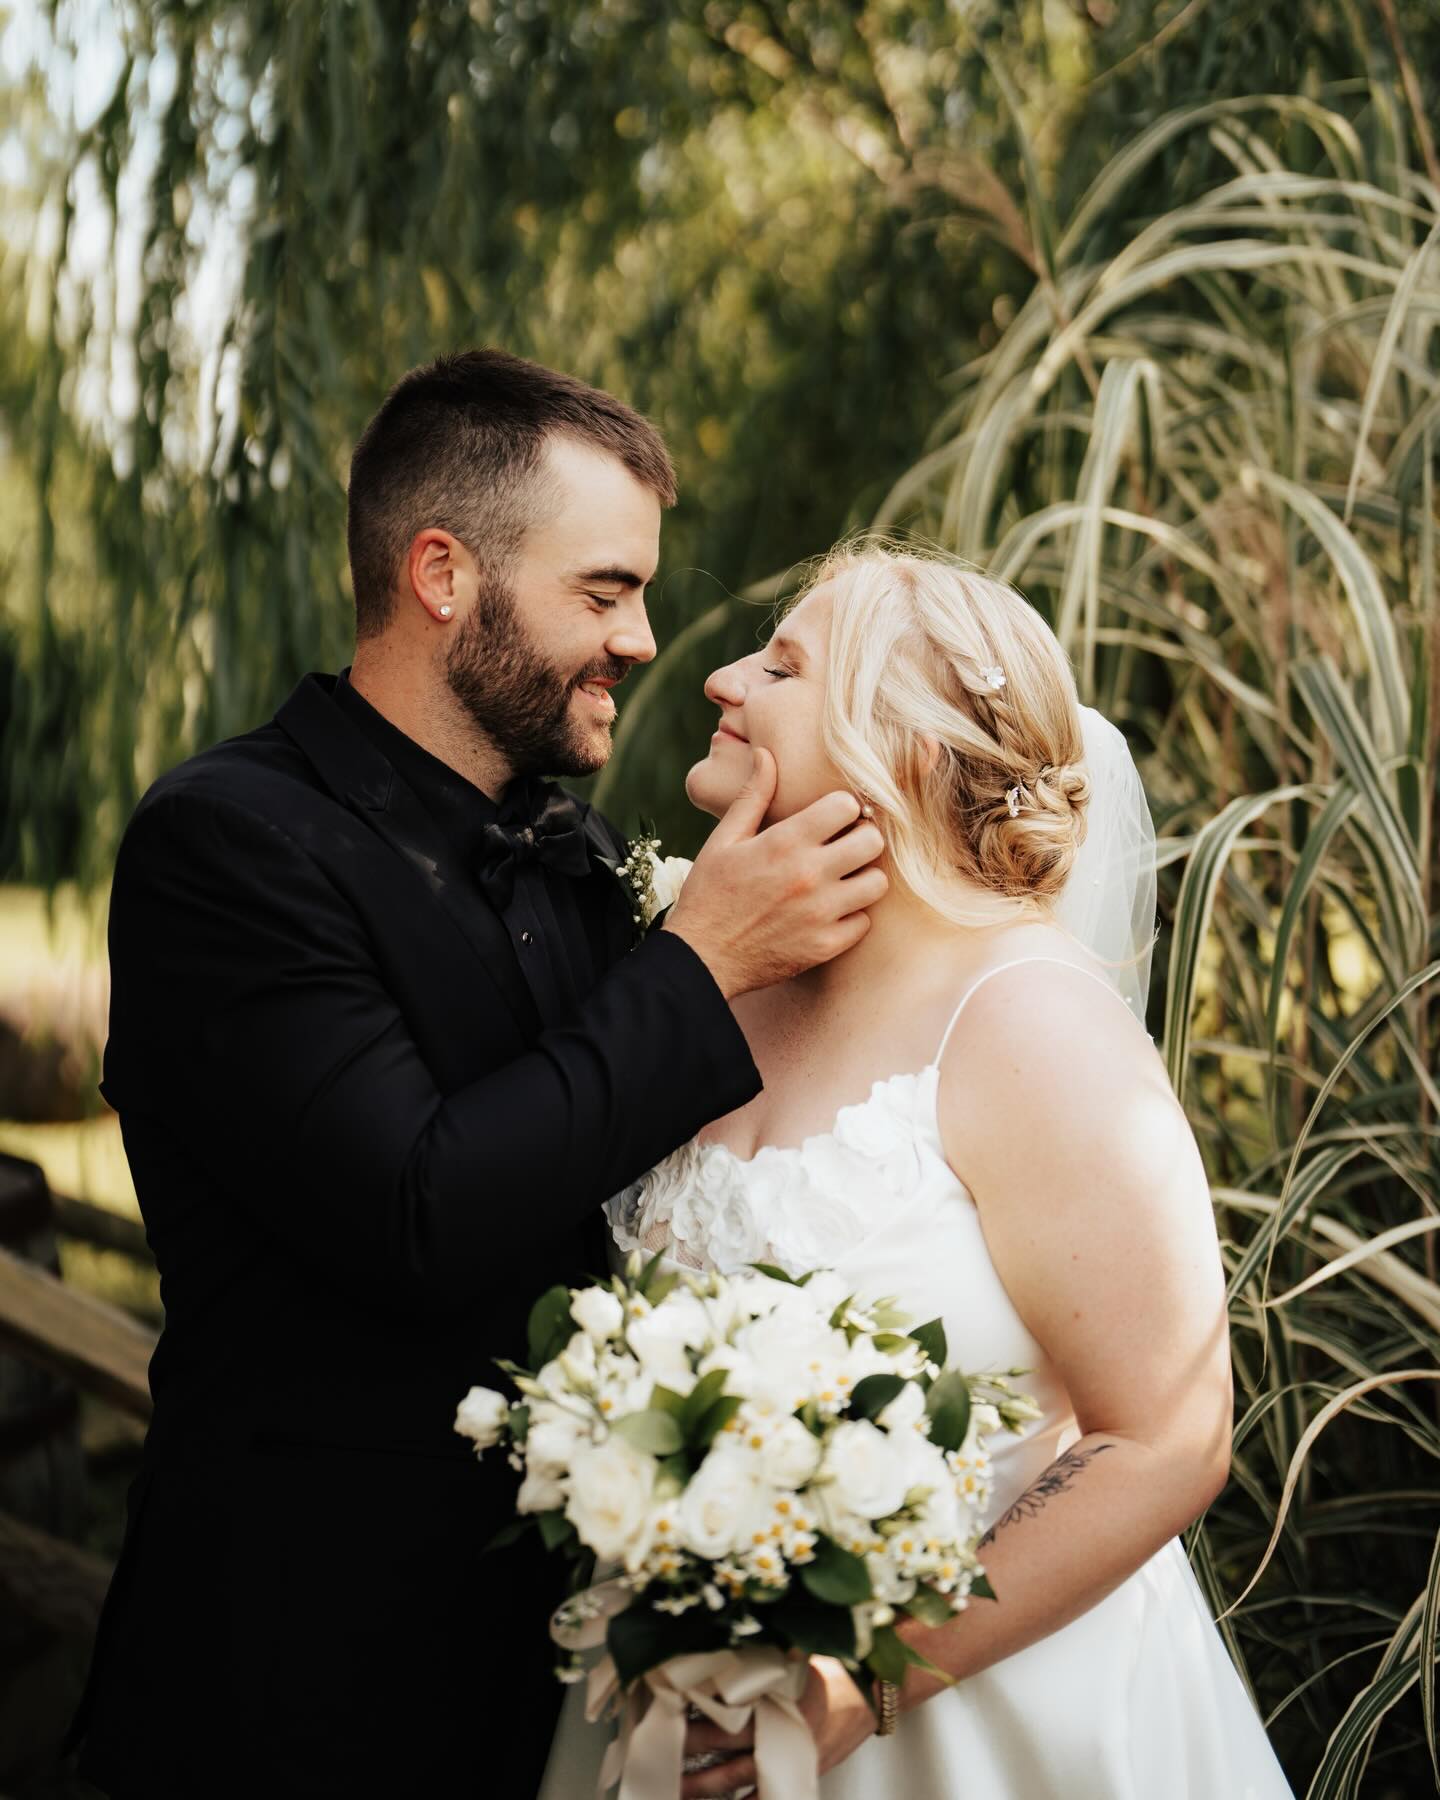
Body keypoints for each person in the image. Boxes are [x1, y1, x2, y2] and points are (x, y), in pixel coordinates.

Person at [67, 350, 889, 1800]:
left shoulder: (577, 861)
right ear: (442, 574)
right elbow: (416, 1206)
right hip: (297, 1688)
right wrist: (700, 966)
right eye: (603, 590)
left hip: (576, 1683)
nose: (642, 640)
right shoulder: (228, 843)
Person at [541, 542, 1294, 1798]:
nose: (721, 676)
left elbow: (1168, 1436)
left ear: (906, 750)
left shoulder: (1031, 1023)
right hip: (682, 1705)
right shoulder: (709, 972)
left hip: (983, 1719)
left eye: (782, 665)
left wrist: (869, 1676)